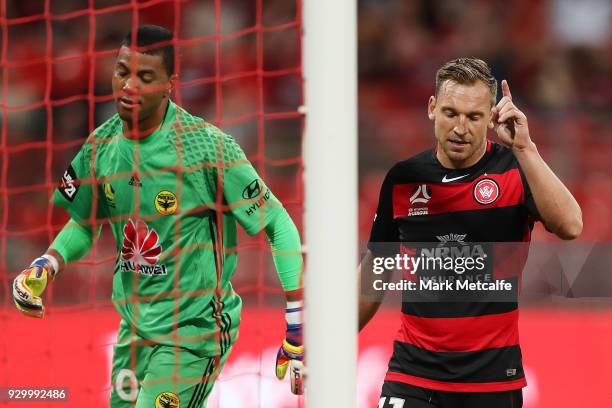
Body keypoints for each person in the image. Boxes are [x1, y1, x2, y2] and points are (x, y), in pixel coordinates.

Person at [12, 25, 304, 407]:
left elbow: (277, 223)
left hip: (194, 331)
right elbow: (85, 223)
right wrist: (47, 263)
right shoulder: (101, 144)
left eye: (145, 77)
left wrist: (297, 324)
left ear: (170, 83)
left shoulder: (206, 147)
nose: (129, 86)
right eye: (122, 72)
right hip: (134, 328)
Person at [360, 57, 582, 408]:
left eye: (474, 117)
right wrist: (325, 342)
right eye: (451, 113)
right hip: (413, 377)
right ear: (432, 108)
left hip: (493, 383)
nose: (460, 127)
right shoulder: (404, 180)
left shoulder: (516, 170)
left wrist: (525, 147)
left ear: (491, 117)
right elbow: (373, 277)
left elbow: (571, 225)